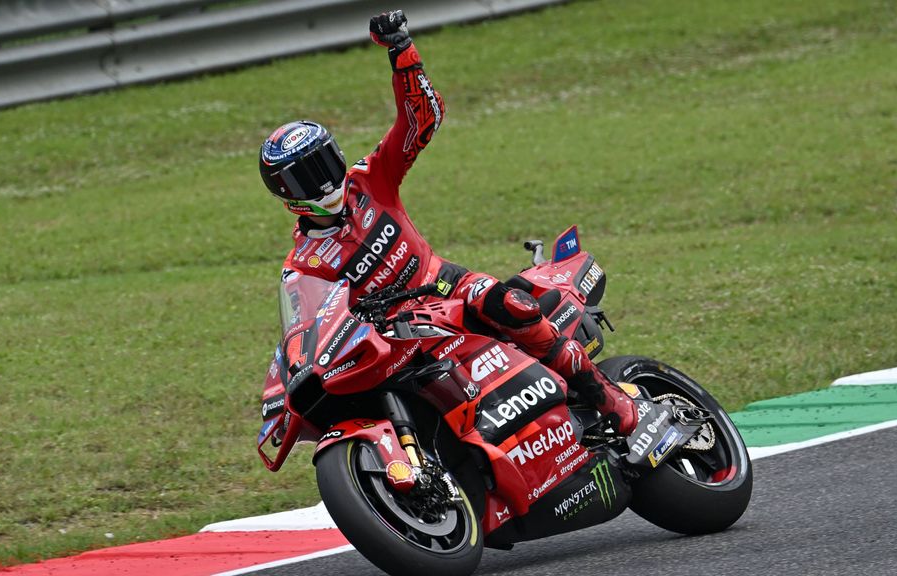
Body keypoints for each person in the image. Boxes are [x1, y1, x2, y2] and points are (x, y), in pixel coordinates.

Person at [259, 11, 637, 435]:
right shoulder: (304, 264)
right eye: (306, 175)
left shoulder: (370, 179)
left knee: (509, 305)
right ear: (286, 193)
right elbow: (304, 335)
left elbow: (422, 120)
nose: (325, 179)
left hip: (443, 285)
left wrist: (402, 51)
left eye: (325, 162)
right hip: (390, 336)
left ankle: (607, 396)